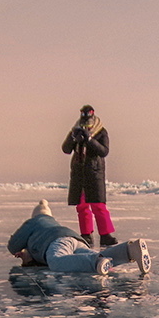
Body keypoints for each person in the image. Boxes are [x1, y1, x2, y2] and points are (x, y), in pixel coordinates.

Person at [8, 200, 150, 275]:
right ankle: (130, 250)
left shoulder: (34, 222)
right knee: (96, 255)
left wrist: (24, 249)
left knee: (56, 261)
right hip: (74, 239)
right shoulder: (52, 223)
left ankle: (94, 262)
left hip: (56, 242)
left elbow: (13, 245)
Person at [61, 104, 117, 246]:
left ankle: (105, 235)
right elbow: (66, 149)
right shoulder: (75, 130)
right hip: (79, 172)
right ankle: (86, 234)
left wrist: (90, 141)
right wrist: (73, 138)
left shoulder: (101, 132)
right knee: (82, 206)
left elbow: (104, 151)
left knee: (98, 205)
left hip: (94, 172)